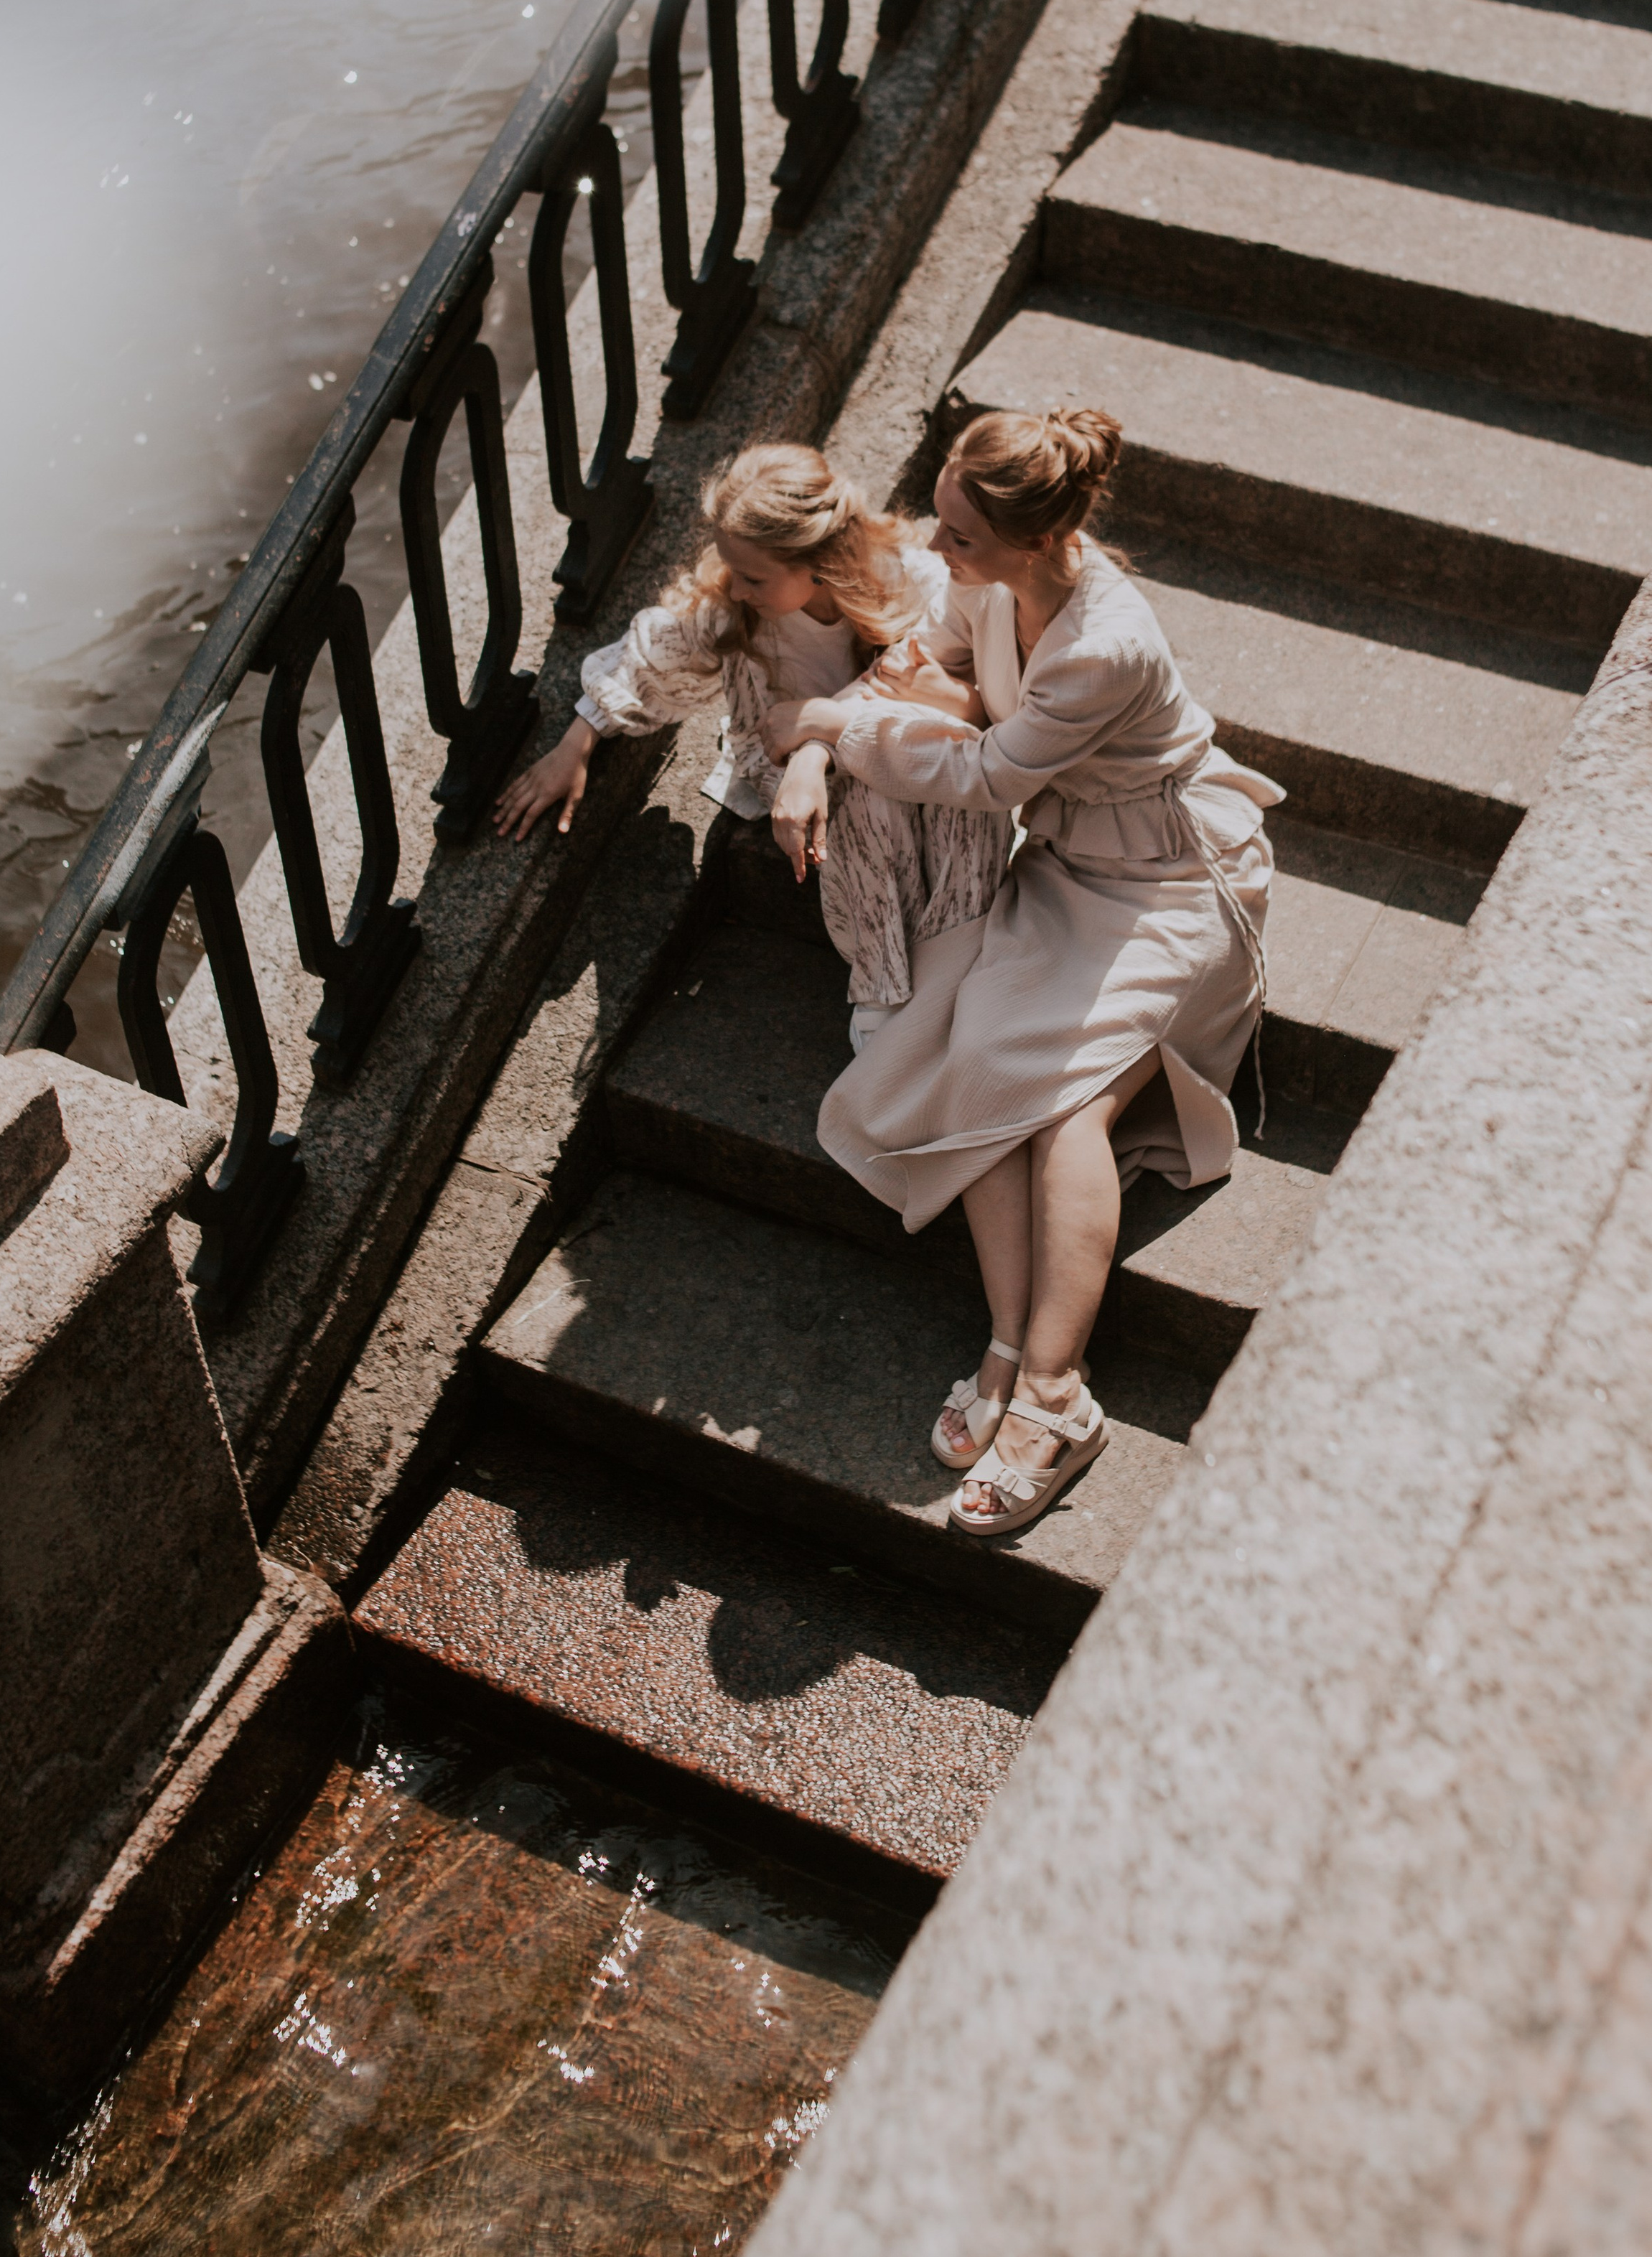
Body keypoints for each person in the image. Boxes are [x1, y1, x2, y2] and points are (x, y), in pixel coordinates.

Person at [765, 406, 1281, 1536]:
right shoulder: (989, 581)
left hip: (1170, 884)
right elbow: (929, 665)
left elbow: (989, 775)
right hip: (1067, 869)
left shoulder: (1108, 643)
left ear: (1040, 541)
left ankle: (1057, 1395)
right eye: (943, 523)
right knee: (985, 1058)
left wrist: (832, 731)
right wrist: (817, 738)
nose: (937, 554)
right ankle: (1005, 1342)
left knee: (1064, 1116)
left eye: (960, 539)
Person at [495, 443, 1009, 1045]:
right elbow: (650, 656)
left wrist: (832, 732)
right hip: (786, 763)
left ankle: (962, 963)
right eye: (732, 568)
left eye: (754, 576)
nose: (737, 588)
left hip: (898, 744)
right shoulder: (734, 613)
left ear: (818, 562)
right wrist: (576, 742)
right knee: (873, 795)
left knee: (933, 765)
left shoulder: (910, 579)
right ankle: (885, 988)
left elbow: (970, 702)